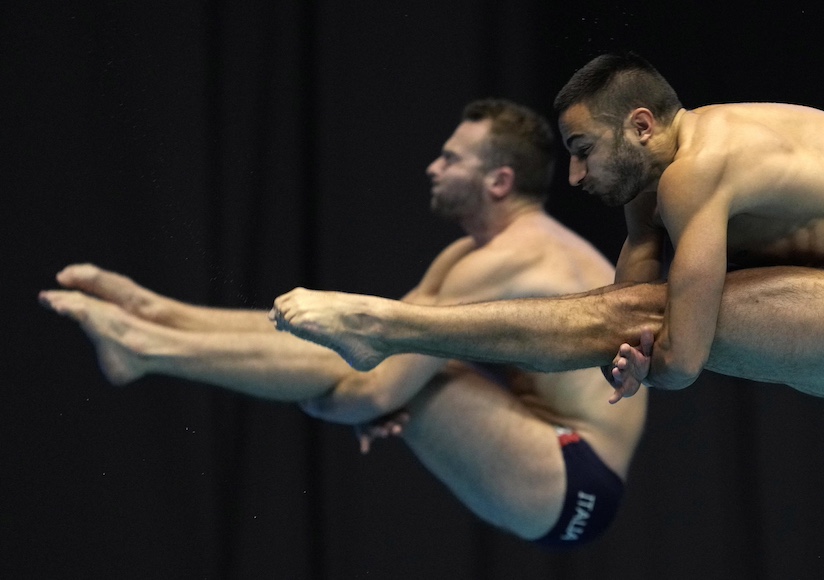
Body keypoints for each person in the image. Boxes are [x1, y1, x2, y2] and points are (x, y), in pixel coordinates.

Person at [38, 99, 647, 548]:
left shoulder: (513, 261)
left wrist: (337, 405)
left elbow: (370, 387)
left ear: (498, 181)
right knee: (381, 352)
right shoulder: (470, 255)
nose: (433, 167)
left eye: (451, 157)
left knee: (410, 372)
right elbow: (364, 350)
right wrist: (359, 395)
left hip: (575, 483)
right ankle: (156, 317)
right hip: (546, 452)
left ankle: (146, 348)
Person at [269, 52, 824, 404]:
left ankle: (385, 329)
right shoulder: (656, 179)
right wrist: (628, 358)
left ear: (641, 125)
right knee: (621, 313)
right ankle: (386, 334)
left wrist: (642, 354)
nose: (573, 178)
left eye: (582, 152)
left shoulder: (699, 169)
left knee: (638, 317)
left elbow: (679, 363)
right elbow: (628, 307)